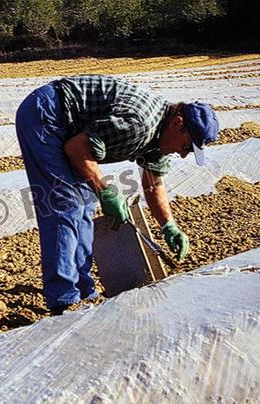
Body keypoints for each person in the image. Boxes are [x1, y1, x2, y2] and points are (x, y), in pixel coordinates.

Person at [15, 75, 219, 315]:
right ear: (178, 123)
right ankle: (63, 299)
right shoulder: (140, 125)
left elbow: (153, 185)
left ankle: (84, 289)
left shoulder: (161, 138)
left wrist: (169, 226)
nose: (183, 155)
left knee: (85, 207)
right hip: (47, 114)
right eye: (186, 146)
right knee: (66, 206)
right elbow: (76, 147)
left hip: (72, 126)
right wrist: (107, 193)